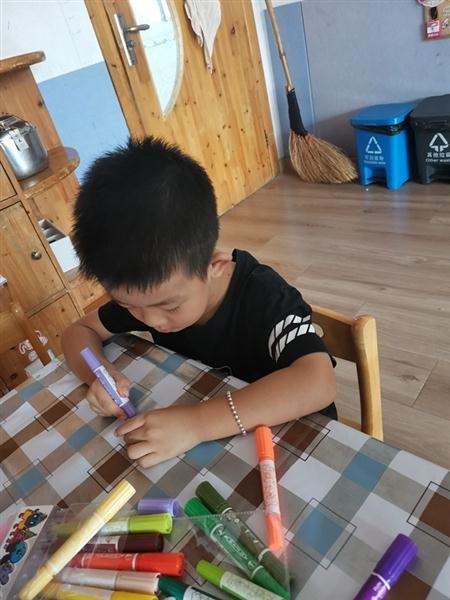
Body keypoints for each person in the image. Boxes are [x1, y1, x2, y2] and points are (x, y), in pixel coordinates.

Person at [62, 137, 336, 468]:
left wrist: (197, 423)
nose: (151, 321)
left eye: (170, 307)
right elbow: (78, 332)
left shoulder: (265, 297)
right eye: (127, 305)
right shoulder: (150, 296)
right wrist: (99, 375)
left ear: (214, 266)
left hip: (298, 446)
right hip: (217, 447)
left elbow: (318, 383)